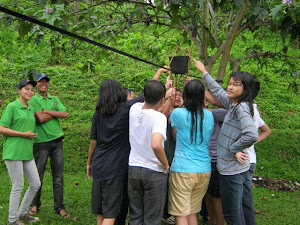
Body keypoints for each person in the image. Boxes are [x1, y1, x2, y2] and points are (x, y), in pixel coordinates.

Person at [87, 67, 168, 225]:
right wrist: (158, 74)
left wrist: (89, 163)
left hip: (99, 164)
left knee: (102, 210)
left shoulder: (98, 112)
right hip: (115, 166)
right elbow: (148, 94)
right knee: (111, 213)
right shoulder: (126, 110)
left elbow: (93, 142)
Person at [194, 59, 259, 225]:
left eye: (235, 84)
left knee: (231, 215)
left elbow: (251, 134)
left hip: (232, 171)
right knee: (236, 211)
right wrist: (203, 71)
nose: (230, 87)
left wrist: (233, 148)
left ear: (245, 89)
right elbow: (217, 90)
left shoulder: (242, 107)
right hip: (229, 168)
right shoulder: (234, 104)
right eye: (230, 83)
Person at [168, 79, 214, 225]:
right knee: (192, 212)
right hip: (204, 169)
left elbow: (172, 129)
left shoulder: (178, 114)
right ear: (202, 97)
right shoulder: (209, 115)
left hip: (183, 169)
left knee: (181, 214)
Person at [128, 79, 169, 225]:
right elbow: (156, 145)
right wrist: (166, 164)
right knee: (152, 218)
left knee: (135, 215)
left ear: (144, 95)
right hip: (153, 171)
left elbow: (147, 97)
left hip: (133, 168)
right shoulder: (159, 118)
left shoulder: (134, 109)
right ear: (162, 99)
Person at [28, 73, 70, 218]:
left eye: (46, 82)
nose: (44, 84)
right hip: (41, 143)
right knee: (38, 175)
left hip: (57, 141)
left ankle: (59, 206)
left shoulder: (54, 98)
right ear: (36, 85)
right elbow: (40, 118)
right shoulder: (33, 99)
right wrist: (55, 112)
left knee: (58, 176)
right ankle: (35, 204)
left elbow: (65, 114)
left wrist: (47, 111)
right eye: (41, 82)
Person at [0, 79, 41, 225]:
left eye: (32, 90)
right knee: (18, 186)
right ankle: (13, 220)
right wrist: (24, 135)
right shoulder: (12, 107)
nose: (30, 92)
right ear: (19, 90)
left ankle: (23, 213)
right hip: (13, 152)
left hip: (27, 153)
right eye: (27, 89)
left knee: (35, 183)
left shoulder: (30, 108)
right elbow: (1, 128)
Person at [242, 80, 271, 225]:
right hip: (248, 159)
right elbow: (266, 130)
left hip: (245, 160)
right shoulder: (252, 108)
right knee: (242, 198)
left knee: (244, 198)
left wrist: (250, 141)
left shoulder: (248, 110)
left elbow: (266, 131)